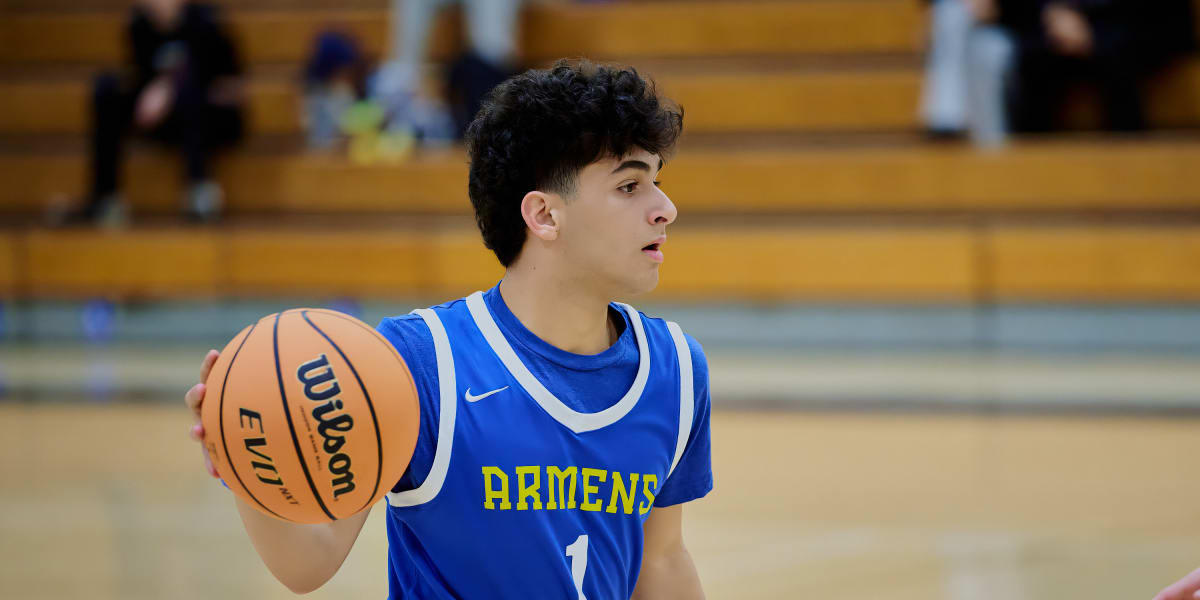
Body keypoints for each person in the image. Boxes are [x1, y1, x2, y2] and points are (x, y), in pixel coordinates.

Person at [184, 60, 712, 599]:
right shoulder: (418, 361)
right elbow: (309, 563)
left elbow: (662, 559)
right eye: (630, 186)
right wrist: (244, 457)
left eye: (658, 182)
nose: (665, 209)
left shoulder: (673, 368)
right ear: (544, 215)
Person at [78, 0, 244, 226]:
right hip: (166, 119)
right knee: (106, 88)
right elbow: (141, 75)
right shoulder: (139, 25)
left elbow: (228, 83)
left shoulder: (206, 21)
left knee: (190, 91)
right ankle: (106, 197)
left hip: (209, 119)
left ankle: (200, 190)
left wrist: (171, 86)